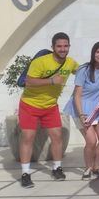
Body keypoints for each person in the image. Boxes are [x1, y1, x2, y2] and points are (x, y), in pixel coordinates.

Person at [18, 32, 79, 188]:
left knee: (57, 136)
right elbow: (29, 81)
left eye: (65, 46)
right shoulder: (41, 62)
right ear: (53, 47)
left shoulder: (70, 63)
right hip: (29, 105)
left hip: (50, 106)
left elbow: (83, 72)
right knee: (28, 137)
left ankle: (56, 168)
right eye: (59, 46)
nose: (62, 49)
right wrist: (52, 81)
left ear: (69, 47)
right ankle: (25, 173)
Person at [63, 41, 99, 180]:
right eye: (98, 52)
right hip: (81, 108)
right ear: (93, 53)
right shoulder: (83, 69)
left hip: (98, 108)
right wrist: (81, 114)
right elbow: (77, 95)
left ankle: (96, 166)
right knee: (91, 141)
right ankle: (88, 167)